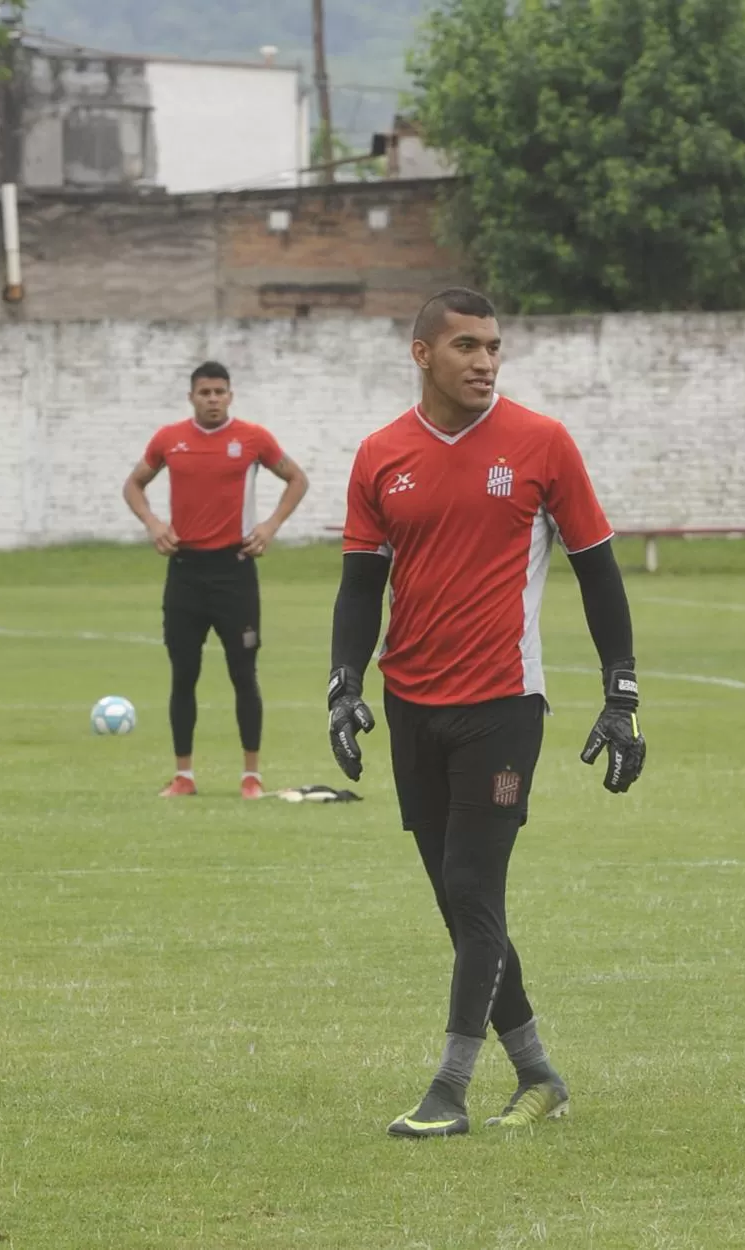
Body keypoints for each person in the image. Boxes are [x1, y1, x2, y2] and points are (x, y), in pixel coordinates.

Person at [327, 289, 646, 1137]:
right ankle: (539, 1072)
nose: (485, 361)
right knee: (461, 905)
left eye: (495, 347)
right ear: (422, 354)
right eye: (467, 345)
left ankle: (450, 1090)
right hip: (410, 706)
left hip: (504, 706)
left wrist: (622, 693)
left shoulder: (542, 443)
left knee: (473, 888)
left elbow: (599, 570)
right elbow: (360, 586)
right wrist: (343, 685)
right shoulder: (379, 455)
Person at [124, 361, 308, 799]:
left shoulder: (253, 439)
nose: (212, 399)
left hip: (235, 572)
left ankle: (251, 775)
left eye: (219, 392)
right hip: (185, 573)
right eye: (204, 392)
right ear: (191, 396)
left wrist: (270, 526)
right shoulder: (170, 440)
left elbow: (296, 479)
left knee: (243, 674)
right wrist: (152, 523)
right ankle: (184, 775)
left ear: (230, 396)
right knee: (183, 674)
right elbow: (134, 485)